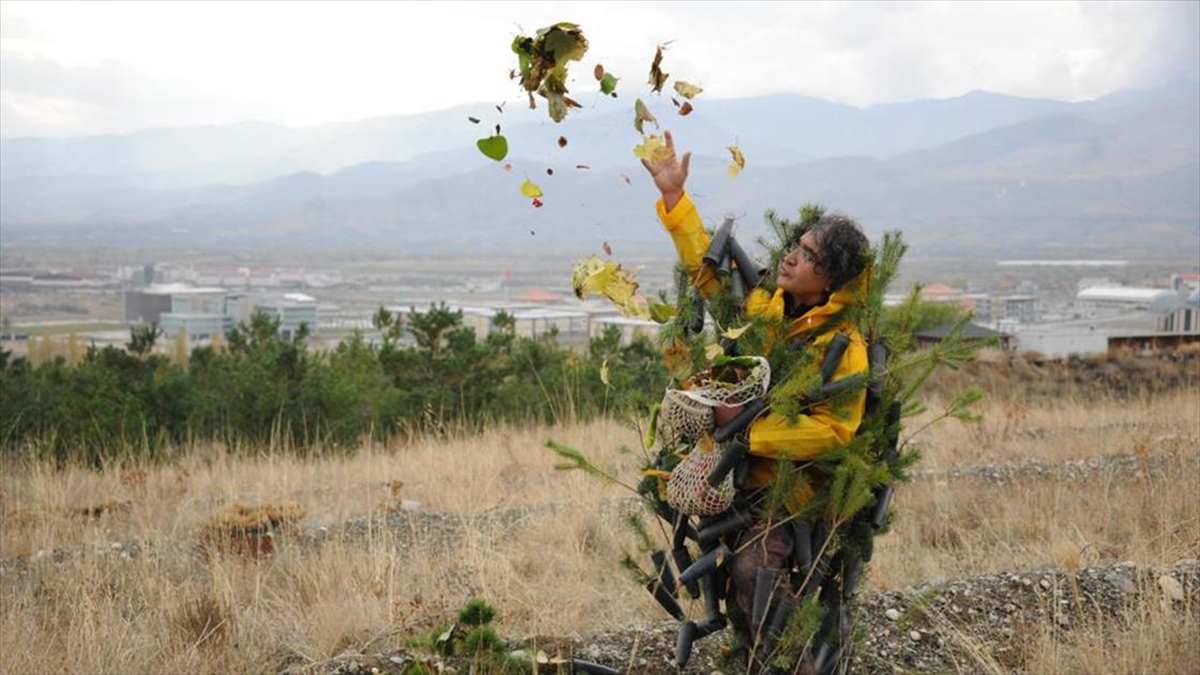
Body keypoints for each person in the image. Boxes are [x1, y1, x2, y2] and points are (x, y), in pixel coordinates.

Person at [641, 131, 872, 671]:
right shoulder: (765, 307)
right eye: (796, 244)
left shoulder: (841, 346)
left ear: (832, 278)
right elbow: (710, 277)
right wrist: (676, 201)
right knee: (737, 595)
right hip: (732, 484)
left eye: (809, 255)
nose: (792, 255)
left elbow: (836, 430)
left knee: (755, 576)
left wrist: (745, 435)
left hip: (789, 496)